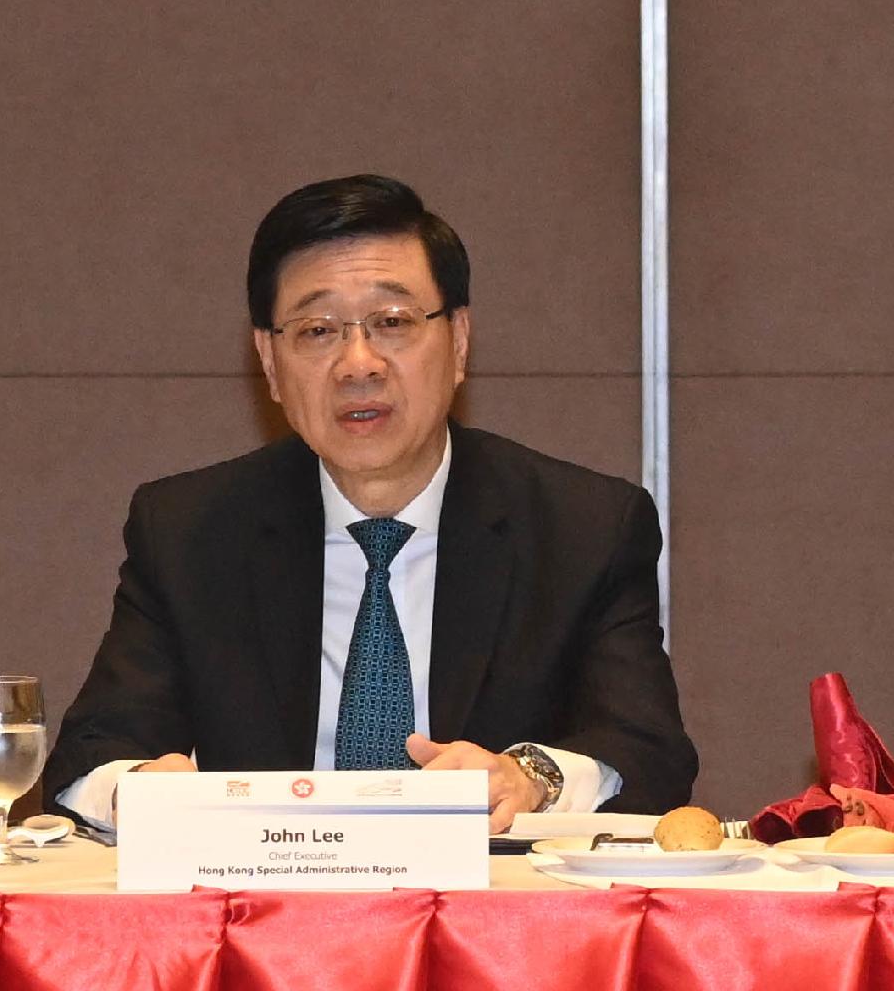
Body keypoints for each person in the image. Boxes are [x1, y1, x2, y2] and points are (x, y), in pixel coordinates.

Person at [44, 174, 696, 830]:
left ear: (459, 340)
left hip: (485, 918)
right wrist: (135, 790)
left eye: (392, 322)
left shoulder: (582, 529)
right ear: (269, 363)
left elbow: (647, 753)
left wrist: (529, 778)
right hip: (266, 915)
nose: (359, 363)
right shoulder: (190, 532)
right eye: (317, 330)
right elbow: (90, 757)